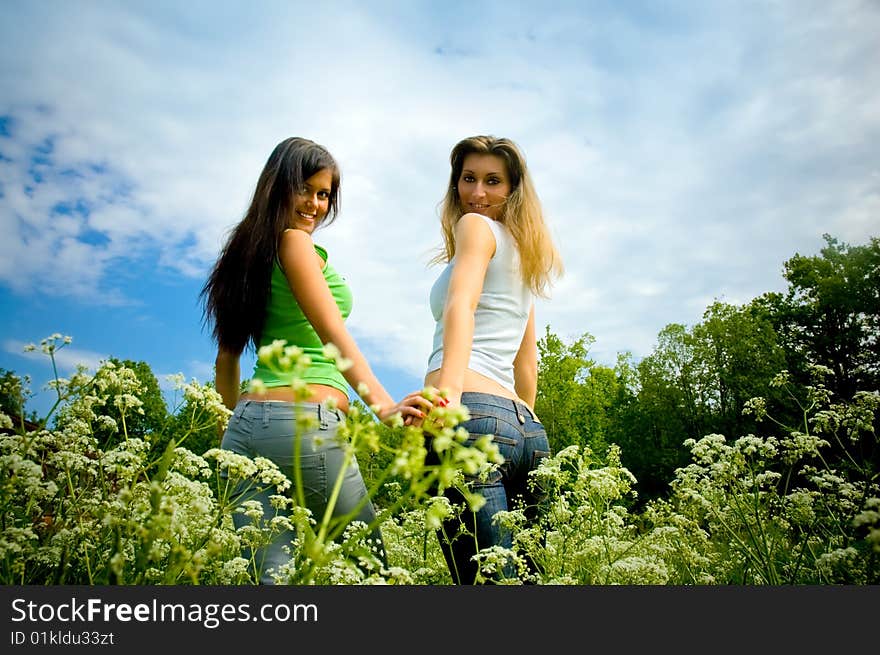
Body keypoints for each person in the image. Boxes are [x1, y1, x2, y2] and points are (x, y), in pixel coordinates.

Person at [200, 136, 431, 584]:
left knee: (272, 580)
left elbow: (226, 360)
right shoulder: (295, 244)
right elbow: (334, 337)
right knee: (373, 570)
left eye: (324, 194)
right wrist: (383, 407)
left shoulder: (244, 254)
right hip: (304, 423)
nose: (315, 203)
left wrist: (228, 436)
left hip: (245, 430)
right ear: (278, 186)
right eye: (305, 189)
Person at [424, 135, 563, 584]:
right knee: (524, 580)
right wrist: (525, 427)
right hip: (526, 431)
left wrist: (446, 398)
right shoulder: (526, 254)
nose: (477, 194)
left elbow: (459, 306)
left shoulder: (475, 230)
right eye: (468, 179)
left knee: (483, 582)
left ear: (513, 189)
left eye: (492, 181)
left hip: (470, 414)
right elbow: (528, 361)